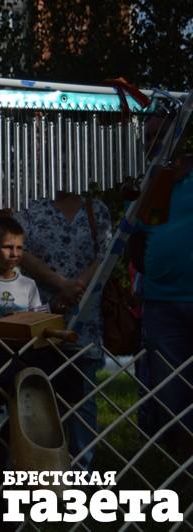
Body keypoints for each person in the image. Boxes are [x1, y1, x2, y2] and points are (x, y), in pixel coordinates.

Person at [14, 191, 111, 471]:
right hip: (41, 316)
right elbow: (20, 252)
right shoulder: (30, 208)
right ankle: (44, 468)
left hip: (84, 316)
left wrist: (76, 287)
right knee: (40, 392)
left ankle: (82, 470)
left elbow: (106, 253)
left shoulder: (95, 208)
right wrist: (60, 283)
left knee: (83, 393)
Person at [136, 138, 193, 453]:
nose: (154, 146)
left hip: (174, 297)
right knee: (170, 387)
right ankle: (182, 462)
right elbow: (135, 239)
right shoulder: (150, 182)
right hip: (161, 301)